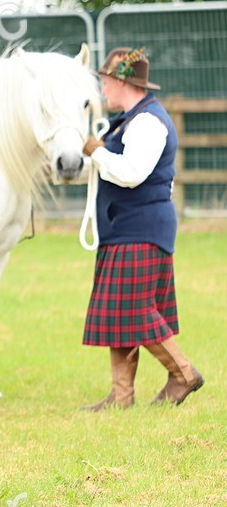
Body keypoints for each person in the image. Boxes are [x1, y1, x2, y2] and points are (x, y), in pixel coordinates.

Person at [80, 46, 205, 411]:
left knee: (135, 311)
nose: (103, 88)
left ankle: (183, 373)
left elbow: (132, 173)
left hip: (142, 230)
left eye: (106, 81)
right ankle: (122, 396)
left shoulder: (148, 122)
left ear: (123, 82)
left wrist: (96, 152)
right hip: (125, 229)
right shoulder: (129, 120)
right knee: (121, 314)